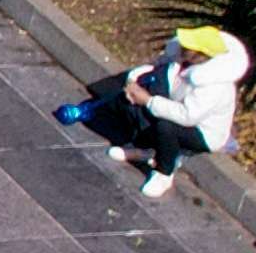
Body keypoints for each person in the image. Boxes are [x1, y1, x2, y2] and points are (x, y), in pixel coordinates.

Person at [99, 24, 247, 199]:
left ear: (202, 55)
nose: (183, 48)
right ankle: (145, 149)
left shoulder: (215, 86)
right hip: (174, 109)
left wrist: (148, 100)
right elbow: (157, 71)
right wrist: (136, 81)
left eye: (190, 48)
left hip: (202, 133)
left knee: (166, 126)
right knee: (141, 107)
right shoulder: (182, 61)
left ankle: (164, 174)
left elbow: (187, 116)